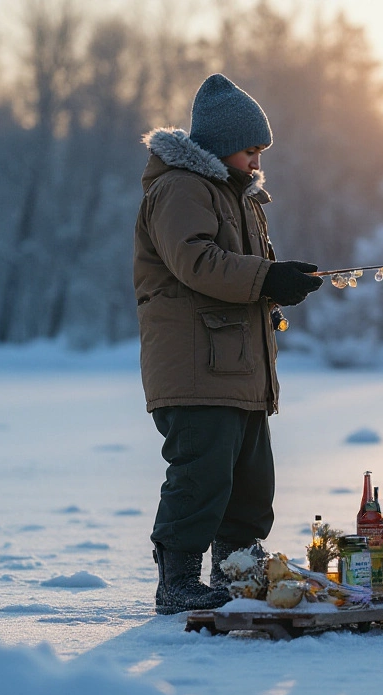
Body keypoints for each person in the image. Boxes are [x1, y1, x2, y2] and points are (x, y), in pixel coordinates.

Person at [134, 74, 323, 615]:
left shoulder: (240, 197)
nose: (257, 162)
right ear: (220, 147)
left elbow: (240, 271)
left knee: (249, 483)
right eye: (249, 150)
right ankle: (178, 582)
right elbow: (196, 262)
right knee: (201, 477)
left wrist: (281, 281)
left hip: (238, 370)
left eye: (261, 151)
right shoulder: (180, 188)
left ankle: (236, 573)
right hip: (195, 370)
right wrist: (268, 279)